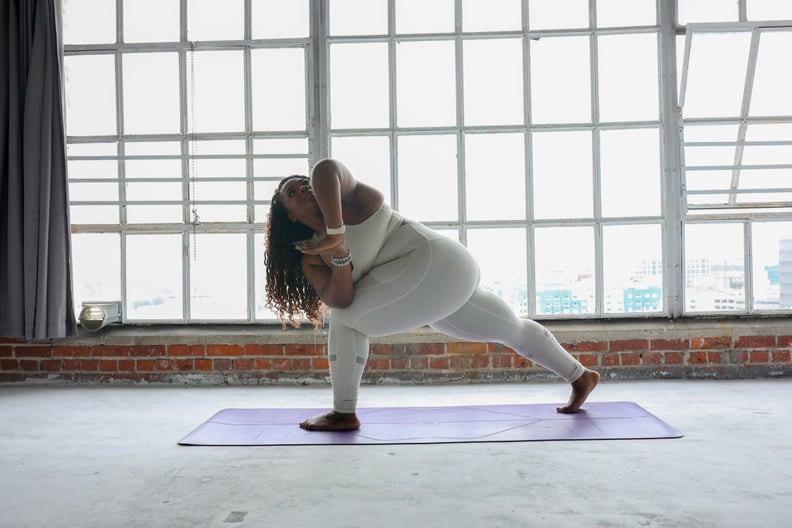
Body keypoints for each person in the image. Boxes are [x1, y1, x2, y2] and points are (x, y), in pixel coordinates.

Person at [264, 158, 600, 431]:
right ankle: (581, 376)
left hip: (434, 262)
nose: (303, 187)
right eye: (292, 192)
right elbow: (342, 298)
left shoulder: (348, 201)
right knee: (510, 328)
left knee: (345, 323)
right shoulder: (311, 256)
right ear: (290, 216)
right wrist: (339, 253)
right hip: (437, 283)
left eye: (302, 182)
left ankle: (343, 412)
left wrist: (336, 233)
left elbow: (325, 169)